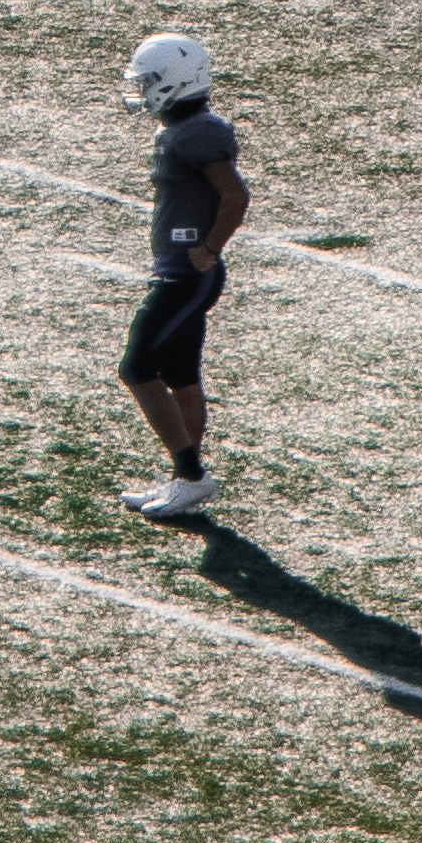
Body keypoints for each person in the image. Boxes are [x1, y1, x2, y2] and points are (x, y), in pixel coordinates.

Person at [118, 31, 248, 527]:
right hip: (180, 273)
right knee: (179, 377)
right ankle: (184, 479)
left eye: (151, 80)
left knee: (137, 369)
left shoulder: (197, 133)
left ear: (174, 81)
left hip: (184, 277)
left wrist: (209, 247)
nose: (145, 88)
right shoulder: (187, 129)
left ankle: (192, 476)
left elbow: (235, 197)